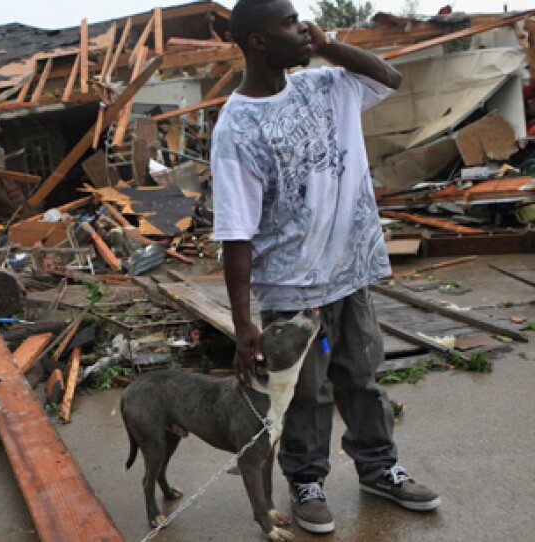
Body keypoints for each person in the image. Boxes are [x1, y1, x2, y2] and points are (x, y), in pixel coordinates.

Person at [211, 0, 440, 534]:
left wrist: (327, 45)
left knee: (362, 377)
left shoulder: (327, 84)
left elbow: (391, 76)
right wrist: (244, 322)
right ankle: (307, 481)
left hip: (350, 272)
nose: (303, 27)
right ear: (260, 41)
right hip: (289, 290)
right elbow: (236, 232)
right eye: (290, 22)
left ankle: (380, 468)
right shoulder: (237, 128)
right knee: (305, 393)